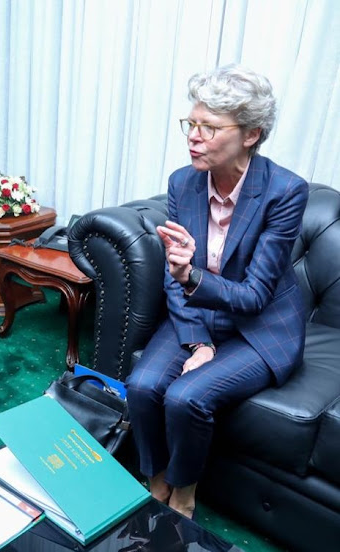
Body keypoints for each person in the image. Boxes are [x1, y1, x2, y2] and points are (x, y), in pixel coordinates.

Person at [125, 64, 309, 520]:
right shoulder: (182, 182)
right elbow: (174, 274)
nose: (194, 137)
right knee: (143, 385)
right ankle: (157, 479)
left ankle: (184, 493)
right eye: (192, 124)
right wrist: (199, 340)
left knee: (188, 397)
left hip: (259, 326)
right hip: (198, 312)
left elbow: (252, 297)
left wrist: (191, 277)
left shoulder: (285, 192)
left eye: (210, 128)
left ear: (250, 134)